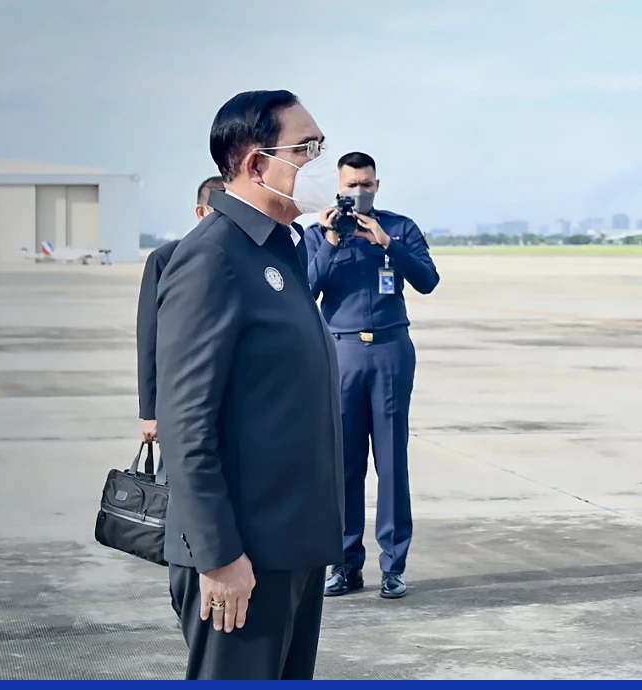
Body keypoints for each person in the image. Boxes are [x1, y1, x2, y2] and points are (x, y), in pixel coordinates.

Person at [155, 89, 345, 680]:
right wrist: (218, 555)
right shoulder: (214, 258)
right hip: (243, 553)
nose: (319, 161)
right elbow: (185, 421)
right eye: (306, 148)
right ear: (257, 163)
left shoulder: (282, 250)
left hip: (292, 543)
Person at [303, 152, 440, 600]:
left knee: (392, 461)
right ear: (337, 189)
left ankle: (393, 565)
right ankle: (345, 564)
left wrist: (387, 243)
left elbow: (428, 280)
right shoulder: (319, 233)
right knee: (344, 464)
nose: (358, 193)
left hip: (390, 350)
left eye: (365, 184)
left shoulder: (398, 227)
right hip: (340, 351)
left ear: (377, 186)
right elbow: (306, 290)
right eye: (350, 186)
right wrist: (329, 241)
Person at [136, 175, 225, 444]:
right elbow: (150, 338)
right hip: (185, 400)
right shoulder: (166, 260)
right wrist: (150, 411)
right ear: (201, 212)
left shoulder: (250, 258)